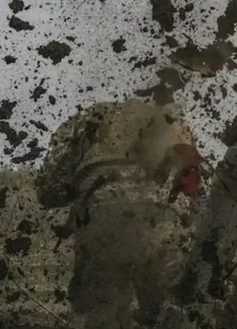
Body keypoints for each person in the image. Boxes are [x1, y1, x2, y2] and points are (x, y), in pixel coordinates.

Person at [34, 99, 207, 329]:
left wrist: (75, 187)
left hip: (103, 214)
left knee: (104, 309)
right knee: (172, 308)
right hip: (165, 219)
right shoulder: (173, 122)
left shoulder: (89, 118)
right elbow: (199, 192)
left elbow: (48, 191)